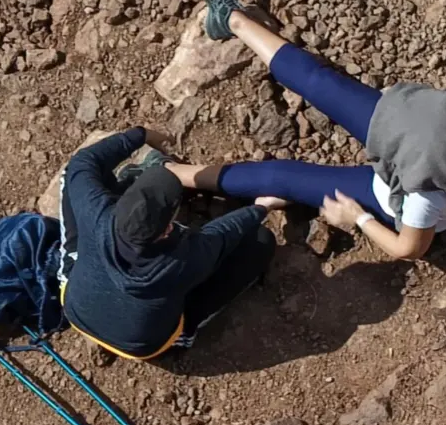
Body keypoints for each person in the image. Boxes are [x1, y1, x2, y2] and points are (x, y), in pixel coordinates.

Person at [165, 0, 446, 260]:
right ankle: (233, 20)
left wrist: (358, 217)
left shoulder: (423, 198)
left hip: (382, 192)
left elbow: (408, 249)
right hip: (414, 136)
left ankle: (170, 173)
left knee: (280, 176)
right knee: (318, 81)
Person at [57, 126, 285, 361]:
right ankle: (186, 332)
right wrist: (261, 207)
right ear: (167, 229)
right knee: (260, 241)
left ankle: (137, 179)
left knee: (71, 178)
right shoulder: (181, 262)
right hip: (138, 344)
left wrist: (139, 135)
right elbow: (222, 233)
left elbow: (82, 164)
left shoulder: (95, 212)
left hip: (76, 307)